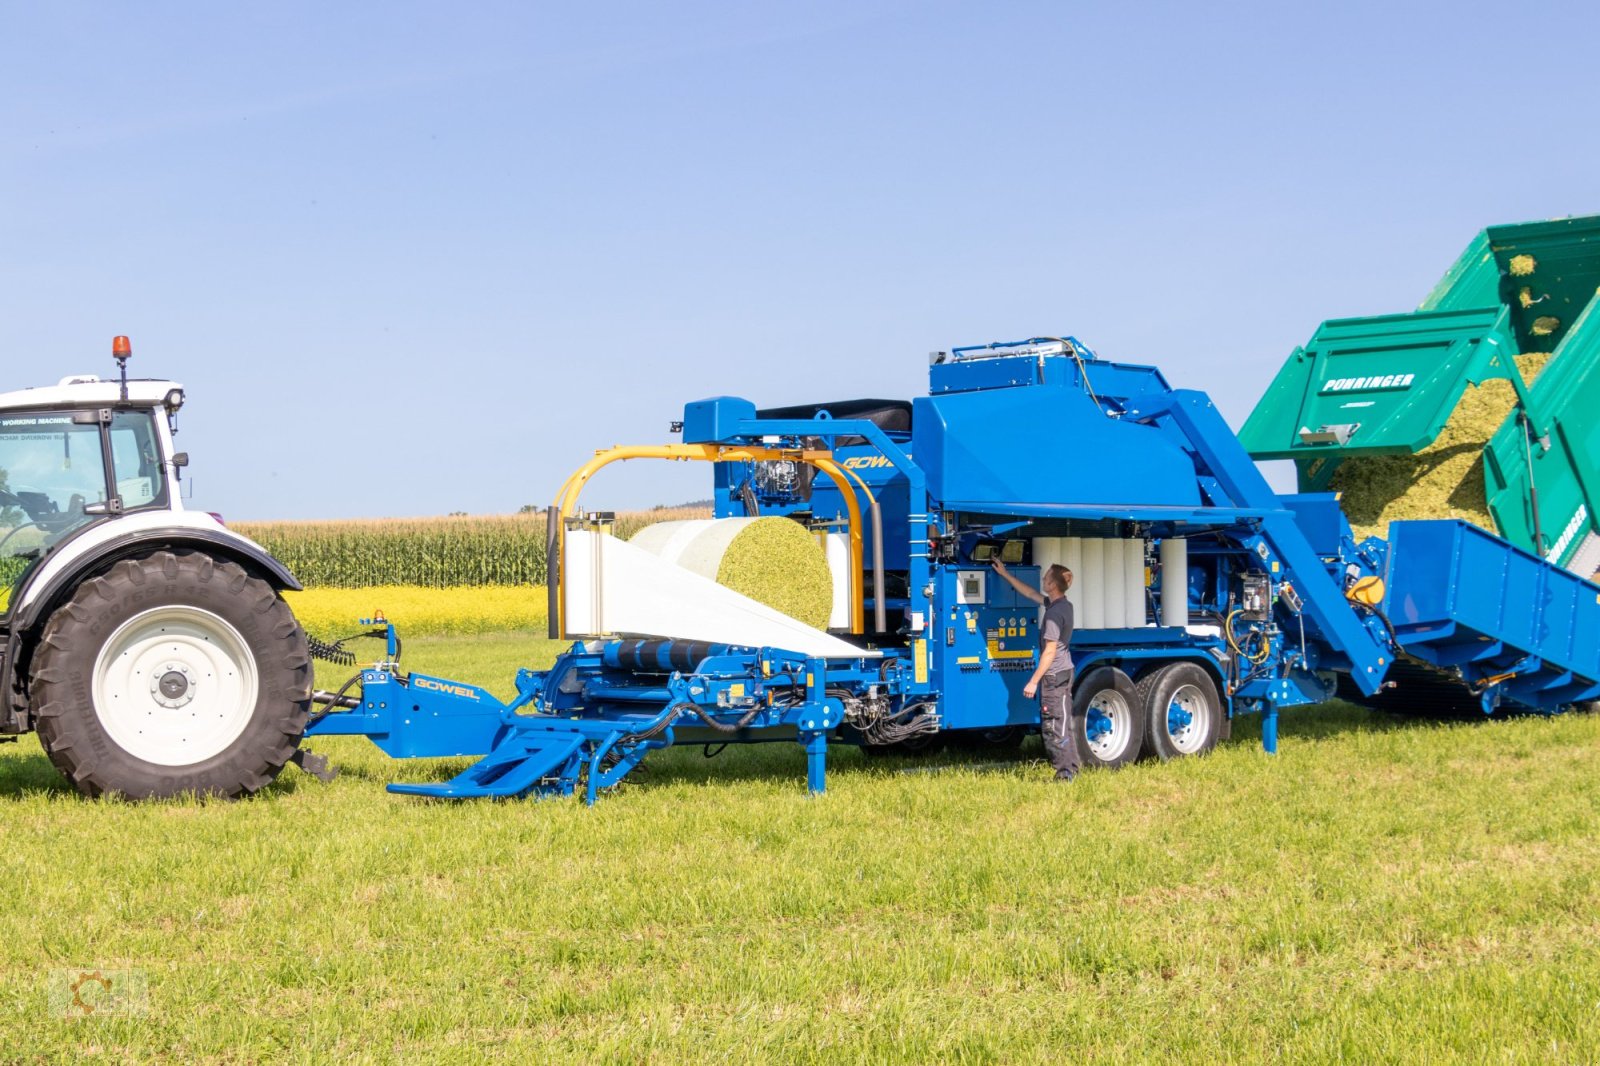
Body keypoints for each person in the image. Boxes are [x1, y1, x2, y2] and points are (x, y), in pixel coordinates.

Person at [991, 558, 1080, 781]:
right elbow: (1031, 594)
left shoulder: (1052, 614)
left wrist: (1033, 681)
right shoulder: (1062, 605)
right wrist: (1005, 574)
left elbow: (1049, 651)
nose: (1042, 579)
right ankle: (1072, 769)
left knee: (1053, 726)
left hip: (1054, 676)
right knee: (1064, 723)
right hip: (1065, 672)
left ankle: (1064, 775)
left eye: (1046, 577)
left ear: (1052, 585)